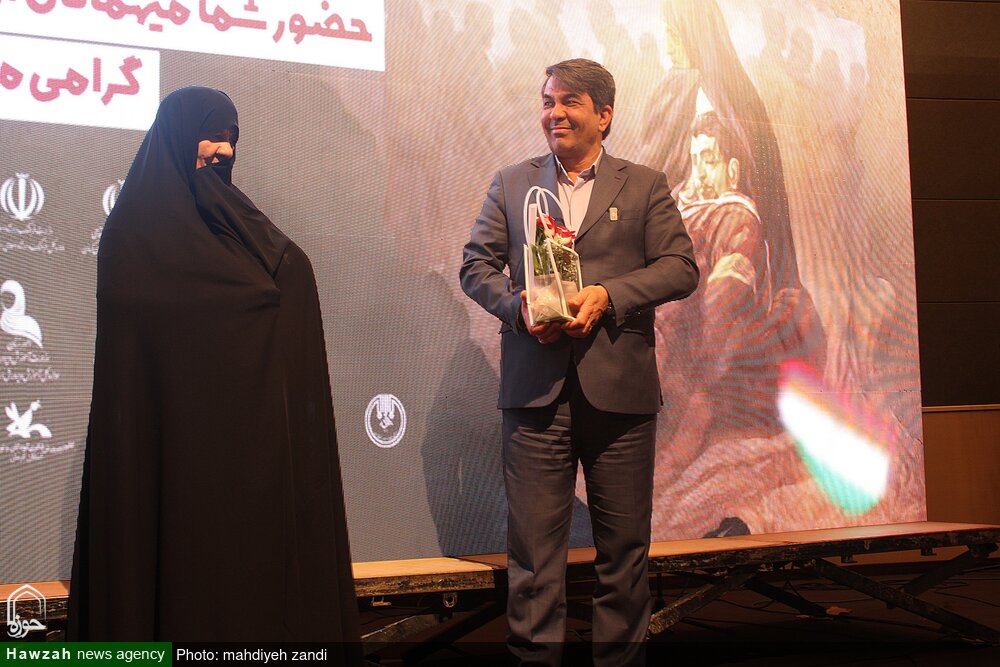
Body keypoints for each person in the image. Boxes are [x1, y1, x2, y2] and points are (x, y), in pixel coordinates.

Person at [68, 87, 360, 653]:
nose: (223, 149)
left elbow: (284, 277)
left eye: (231, 137)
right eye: (211, 134)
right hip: (166, 454)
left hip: (240, 456)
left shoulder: (235, 226)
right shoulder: (132, 234)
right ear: (178, 136)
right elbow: (173, 318)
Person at [460, 59, 698, 666]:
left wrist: (609, 295)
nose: (554, 113)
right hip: (535, 395)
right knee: (534, 560)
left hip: (620, 397)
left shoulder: (644, 185)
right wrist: (519, 308)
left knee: (624, 556)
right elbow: (476, 267)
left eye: (569, 102)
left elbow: (680, 267)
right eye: (548, 101)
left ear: (604, 115)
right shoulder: (512, 183)